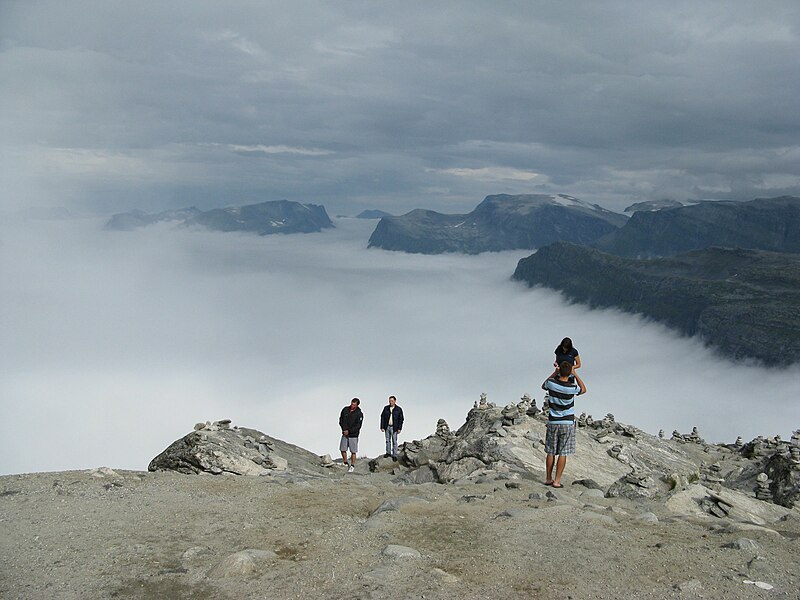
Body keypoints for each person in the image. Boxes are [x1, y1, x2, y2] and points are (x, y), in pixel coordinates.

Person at [541, 361, 586, 488]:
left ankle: (548, 478)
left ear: (560, 370)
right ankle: (557, 481)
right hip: (567, 422)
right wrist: (575, 374)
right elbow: (583, 389)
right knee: (563, 452)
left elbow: (543, 385)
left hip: (553, 421)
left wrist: (555, 372)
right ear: (569, 372)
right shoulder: (572, 387)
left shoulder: (551, 383)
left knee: (550, 451)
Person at [339, 398, 363, 473]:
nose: (352, 405)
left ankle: (352, 465)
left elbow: (358, 426)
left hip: (353, 435)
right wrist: (344, 429)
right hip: (344, 433)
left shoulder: (359, 413)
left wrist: (349, 431)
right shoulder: (345, 409)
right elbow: (341, 420)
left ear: (357, 405)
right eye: (352, 404)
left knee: (353, 451)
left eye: (354, 405)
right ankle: (345, 462)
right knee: (342, 449)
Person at [380, 395, 404, 460]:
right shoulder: (386, 408)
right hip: (387, 426)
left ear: (395, 401)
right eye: (390, 401)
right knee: (387, 440)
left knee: (394, 441)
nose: (391, 402)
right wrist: (382, 426)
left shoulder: (398, 409)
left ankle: (394, 455)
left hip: (394, 427)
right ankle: (388, 452)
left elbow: (401, 419)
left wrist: (399, 428)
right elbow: (382, 417)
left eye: (392, 401)